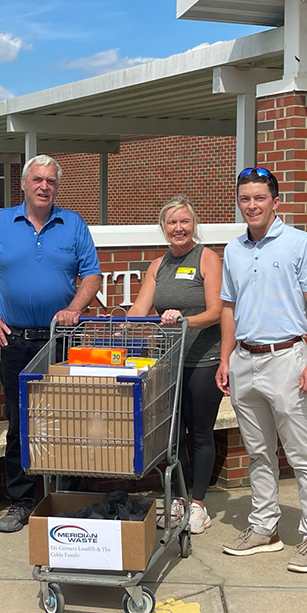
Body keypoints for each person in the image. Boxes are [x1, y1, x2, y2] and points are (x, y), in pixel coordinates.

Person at [0, 155, 102, 533]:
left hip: (64, 340)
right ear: (25, 185)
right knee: (21, 424)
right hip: (17, 342)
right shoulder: (1, 223)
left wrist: (75, 307)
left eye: (51, 181)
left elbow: (92, 274)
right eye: (37, 180)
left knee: (73, 420)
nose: (44, 186)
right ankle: (22, 501)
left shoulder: (73, 223)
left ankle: (70, 498)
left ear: (56, 187)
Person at [216, 167, 307, 573]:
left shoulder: (300, 244)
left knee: (302, 454)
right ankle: (264, 529)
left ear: (275, 202)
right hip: (244, 361)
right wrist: (225, 358)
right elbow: (229, 308)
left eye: (259, 198)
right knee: (258, 452)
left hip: (287, 359)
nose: (252, 205)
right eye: (245, 198)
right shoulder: (233, 251)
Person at [127, 196, 223, 534]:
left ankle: (198, 505)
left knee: (199, 432)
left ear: (193, 224)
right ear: (163, 228)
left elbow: (216, 311)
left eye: (184, 222)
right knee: (173, 434)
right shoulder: (159, 265)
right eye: (172, 223)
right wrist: (119, 326)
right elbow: (139, 310)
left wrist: (184, 319)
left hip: (203, 361)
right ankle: (179, 499)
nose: (178, 228)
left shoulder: (207, 259)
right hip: (169, 363)